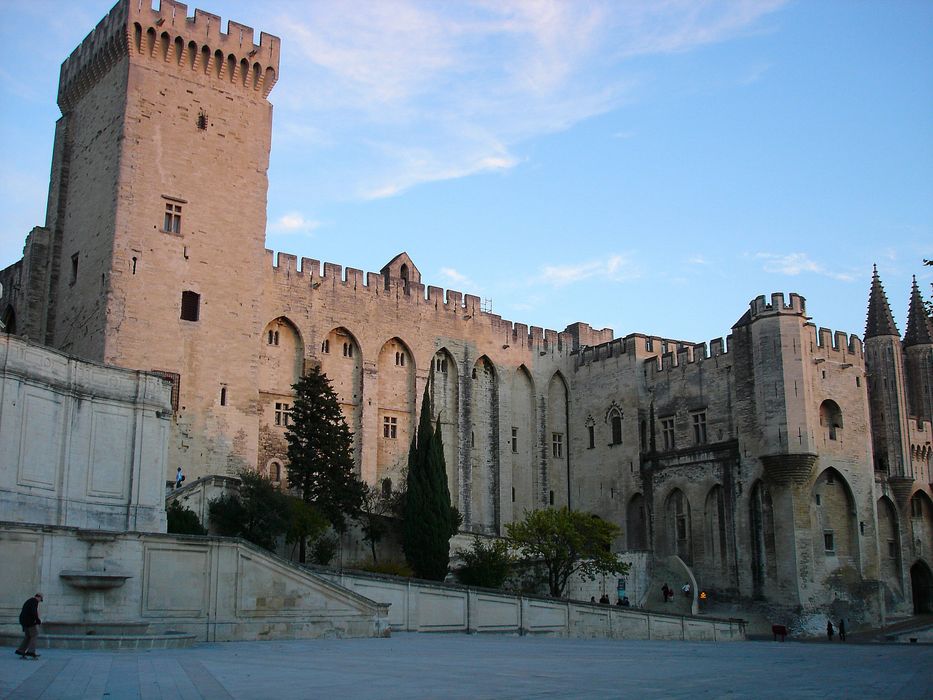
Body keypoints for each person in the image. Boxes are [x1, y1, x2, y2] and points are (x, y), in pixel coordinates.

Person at [15, 593, 43, 659]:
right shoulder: (34, 601)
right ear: (38, 597)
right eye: (40, 599)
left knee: (28, 636)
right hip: (29, 621)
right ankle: (31, 652)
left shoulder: (29, 600)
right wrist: (37, 620)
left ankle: (20, 650)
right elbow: (34, 612)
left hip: (23, 621)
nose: (40, 601)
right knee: (34, 635)